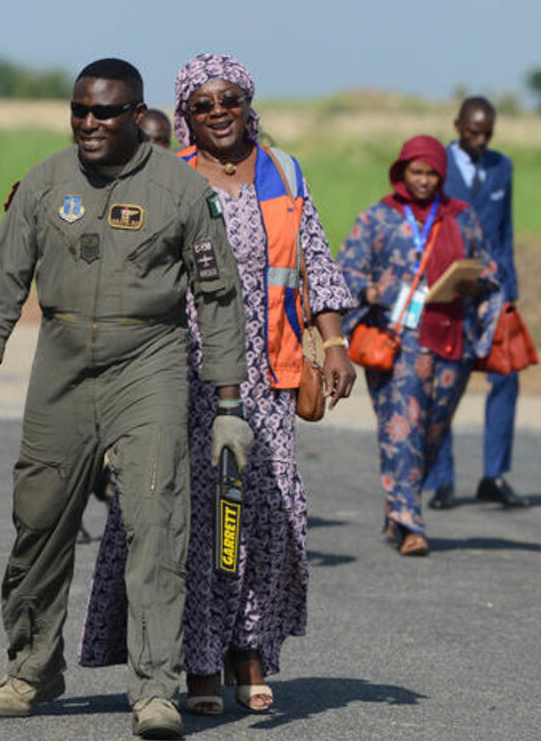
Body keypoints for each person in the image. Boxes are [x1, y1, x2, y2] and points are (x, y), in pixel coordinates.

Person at [0, 58, 250, 738]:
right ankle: (32, 667)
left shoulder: (182, 189)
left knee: (156, 525)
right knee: (38, 519)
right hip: (61, 362)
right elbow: (3, 277)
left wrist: (229, 406)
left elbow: (218, 296)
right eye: (80, 110)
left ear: (137, 114)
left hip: (148, 360)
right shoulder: (44, 182)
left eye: (106, 112)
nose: (90, 123)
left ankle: (154, 686)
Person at [78, 53, 358, 716]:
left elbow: (316, 258)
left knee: (268, 512)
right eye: (203, 104)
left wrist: (338, 340)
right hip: (185, 374)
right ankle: (198, 659)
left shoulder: (285, 171)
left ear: (246, 101)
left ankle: (249, 649)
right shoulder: (166, 175)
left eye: (228, 99)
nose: (218, 113)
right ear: (186, 115)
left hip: (271, 372)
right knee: (195, 519)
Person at [337, 135, 502, 555]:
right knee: (402, 429)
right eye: (416, 172)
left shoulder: (461, 218)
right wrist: (372, 292)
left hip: (450, 341)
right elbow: (345, 272)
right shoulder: (377, 218)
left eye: (431, 173)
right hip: (397, 344)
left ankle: (397, 507)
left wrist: (471, 280)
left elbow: (488, 267)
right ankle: (412, 524)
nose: (424, 181)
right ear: (401, 172)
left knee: (431, 431)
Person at [428, 97, 528, 508]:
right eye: (473, 132)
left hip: (493, 289)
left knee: (507, 376)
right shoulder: (436, 165)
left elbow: (504, 231)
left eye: (487, 133)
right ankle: (441, 480)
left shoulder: (502, 167)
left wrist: (510, 290)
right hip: (448, 290)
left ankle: (494, 474)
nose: (480, 140)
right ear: (457, 125)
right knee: (444, 379)